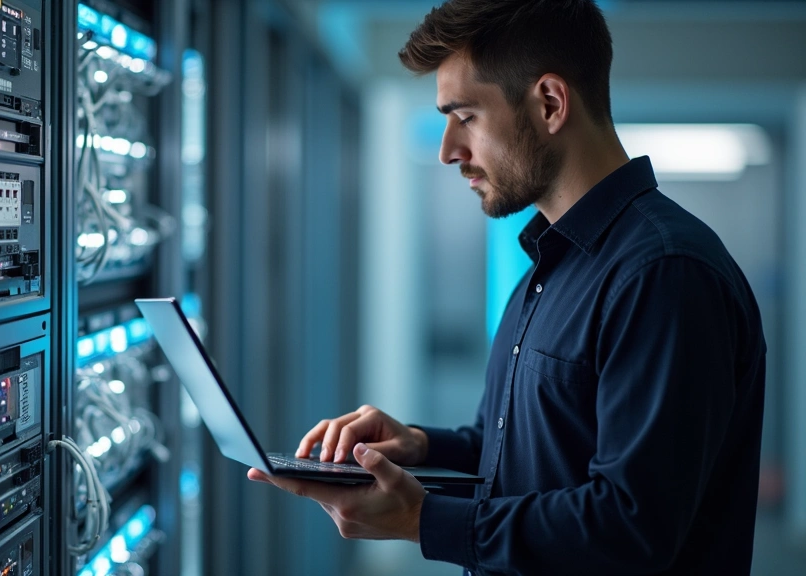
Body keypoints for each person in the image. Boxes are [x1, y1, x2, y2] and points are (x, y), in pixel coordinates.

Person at [246, 0, 768, 574]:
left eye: (464, 116)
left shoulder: (663, 274)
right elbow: (531, 451)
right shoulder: (550, 267)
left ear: (549, 103)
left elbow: (631, 528)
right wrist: (419, 444)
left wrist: (423, 521)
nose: (448, 150)